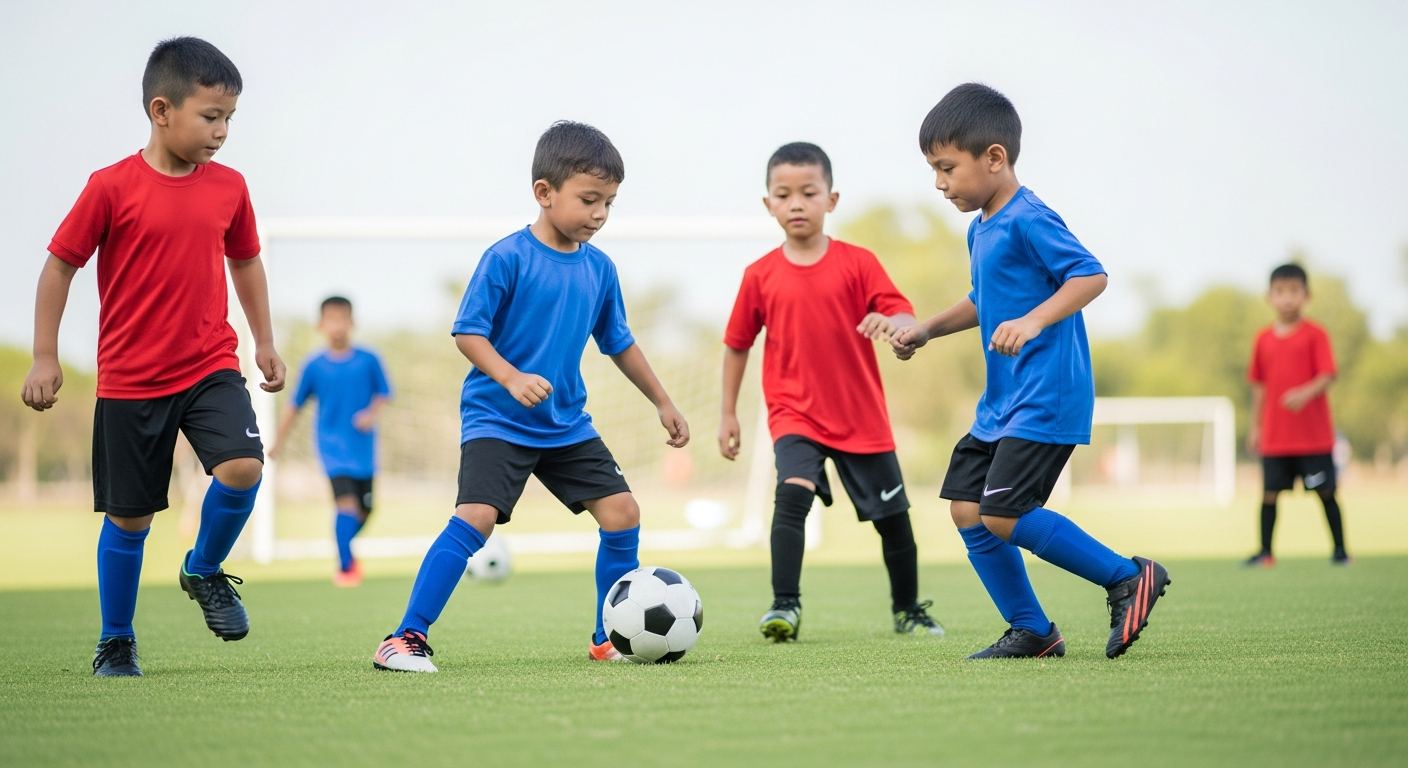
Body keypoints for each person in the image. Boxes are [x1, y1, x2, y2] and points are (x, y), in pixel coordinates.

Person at [372, 121, 690, 673]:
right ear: (544, 193)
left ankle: (606, 635)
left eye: (609, 204)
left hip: (566, 422)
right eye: (589, 200)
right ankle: (404, 638)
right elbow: (468, 331)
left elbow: (619, 342)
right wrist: (512, 377)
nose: (599, 215)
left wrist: (662, 401)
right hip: (498, 417)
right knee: (476, 517)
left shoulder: (600, 269)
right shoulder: (508, 257)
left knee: (622, 513)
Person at [20, 38, 285, 677]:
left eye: (229, 119)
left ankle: (203, 568)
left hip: (209, 366)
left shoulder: (229, 187)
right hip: (131, 380)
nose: (222, 132)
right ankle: (117, 641)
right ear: (161, 110)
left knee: (244, 467)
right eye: (210, 116)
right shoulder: (109, 187)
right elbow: (60, 266)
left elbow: (245, 261)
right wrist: (44, 356)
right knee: (130, 518)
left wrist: (265, 340)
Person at [891, 83, 1171, 660]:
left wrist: (1037, 320)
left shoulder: (1028, 216)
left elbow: (1089, 275)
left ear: (994, 158)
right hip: (1002, 404)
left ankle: (1127, 577)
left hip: (1047, 396)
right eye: (932, 171)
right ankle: (1033, 630)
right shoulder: (981, 228)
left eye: (947, 168)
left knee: (1003, 512)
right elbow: (982, 299)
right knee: (969, 509)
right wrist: (927, 329)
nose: (939, 183)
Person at [719, 142, 944, 642]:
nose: (796, 203)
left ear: (831, 200)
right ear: (769, 205)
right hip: (794, 413)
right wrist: (728, 414)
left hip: (861, 417)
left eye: (808, 192)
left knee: (894, 521)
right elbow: (736, 346)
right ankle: (785, 607)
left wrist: (894, 324)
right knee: (790, 497)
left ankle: (908, 609)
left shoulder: (858, 263)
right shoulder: (758, 276)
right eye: (783, 194)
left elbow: (902, 313)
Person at [270, 296, 392, 587]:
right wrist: (277, 442)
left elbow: (384, 394)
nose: (337, 326)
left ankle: (343, 545)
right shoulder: (314, 365)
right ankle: (346, 567)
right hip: (332, 448)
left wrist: (370, 413)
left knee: (366, 510)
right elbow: (294, 406)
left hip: (363, 448)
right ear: (321, 325)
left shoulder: (369, 359)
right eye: (331, 320)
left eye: (343, 319)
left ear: (352, 323)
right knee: (346, 505)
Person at [1244, 264, 1349, 567]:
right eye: (1280, 292)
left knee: (1326, 492)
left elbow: (1329, 374)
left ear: (1306, 295)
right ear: (1270, 297)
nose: (1287, 299)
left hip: (1313, 437)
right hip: (1276, 437)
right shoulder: (1262, 338)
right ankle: (1265, 553)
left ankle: (1341, 551)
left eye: (1294, 292)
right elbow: (1259, 386)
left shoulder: (1316, 335)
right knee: (1269, 494)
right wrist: (1255, 427)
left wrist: (1305, 392)